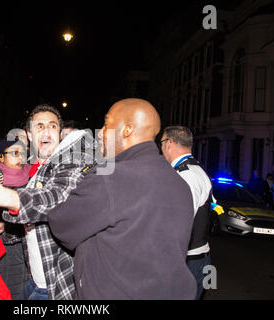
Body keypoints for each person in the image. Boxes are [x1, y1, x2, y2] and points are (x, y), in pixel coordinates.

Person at [47, 98, 197, 299]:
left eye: (107, 124)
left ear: (127, 130)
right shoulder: (180, 184)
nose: (100, 132)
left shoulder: (111, 178)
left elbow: (61, 224)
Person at [0, 104, 97, 300]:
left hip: (55, 286)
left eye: (52, 126)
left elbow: (56, 199)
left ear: (60, 133)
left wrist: (6, 197)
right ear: (29, 135)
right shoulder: (39, 169)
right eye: (39, 126)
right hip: (35, 280)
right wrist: (7, 226)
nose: (46, 131)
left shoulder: (73, 160)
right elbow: (37, 225)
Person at [159, 125, 213, 300]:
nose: (160, 148)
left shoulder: (186, 175)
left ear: (169, 143)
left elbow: (177, 226)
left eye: (161, 143)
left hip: (188, 263)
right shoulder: (193, 170)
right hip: (194, 262)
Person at [0, 138, 32, 299]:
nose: (20, 158)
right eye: (14, 153)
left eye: (23, 153)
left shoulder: (33, 177)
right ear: (0, 157)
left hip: (24, 248)